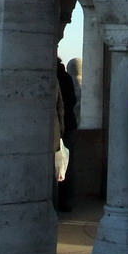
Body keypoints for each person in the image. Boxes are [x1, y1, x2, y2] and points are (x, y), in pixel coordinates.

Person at [56, 58, 78, 212]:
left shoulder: (57, 77)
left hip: (60, 128)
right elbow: (72, 101)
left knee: (61, 165)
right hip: (67, 126)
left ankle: (57, 200)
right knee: (65, 165)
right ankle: (65, 200)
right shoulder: (66, 77)